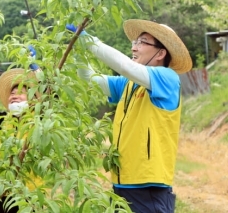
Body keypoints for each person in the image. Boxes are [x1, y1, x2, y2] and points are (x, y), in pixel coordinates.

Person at [66, 19, 192, 213]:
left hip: (148, 186)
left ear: (160, 53)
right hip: (122, 182)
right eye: (135, 42)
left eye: (142, 42)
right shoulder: (129, 84)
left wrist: (89, 41)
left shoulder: (167, 78)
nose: (134, 47)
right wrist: (79, 50)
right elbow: (90, 80)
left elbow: (125, 66)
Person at [0, 47, 42, 213]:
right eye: (12, 93)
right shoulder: (3, 121)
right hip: (1, 193)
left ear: (34, 99)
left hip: (28, 195)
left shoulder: (40, 122)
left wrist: (35, 67)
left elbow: (52, 97)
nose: (14, 95)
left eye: (20, 92)